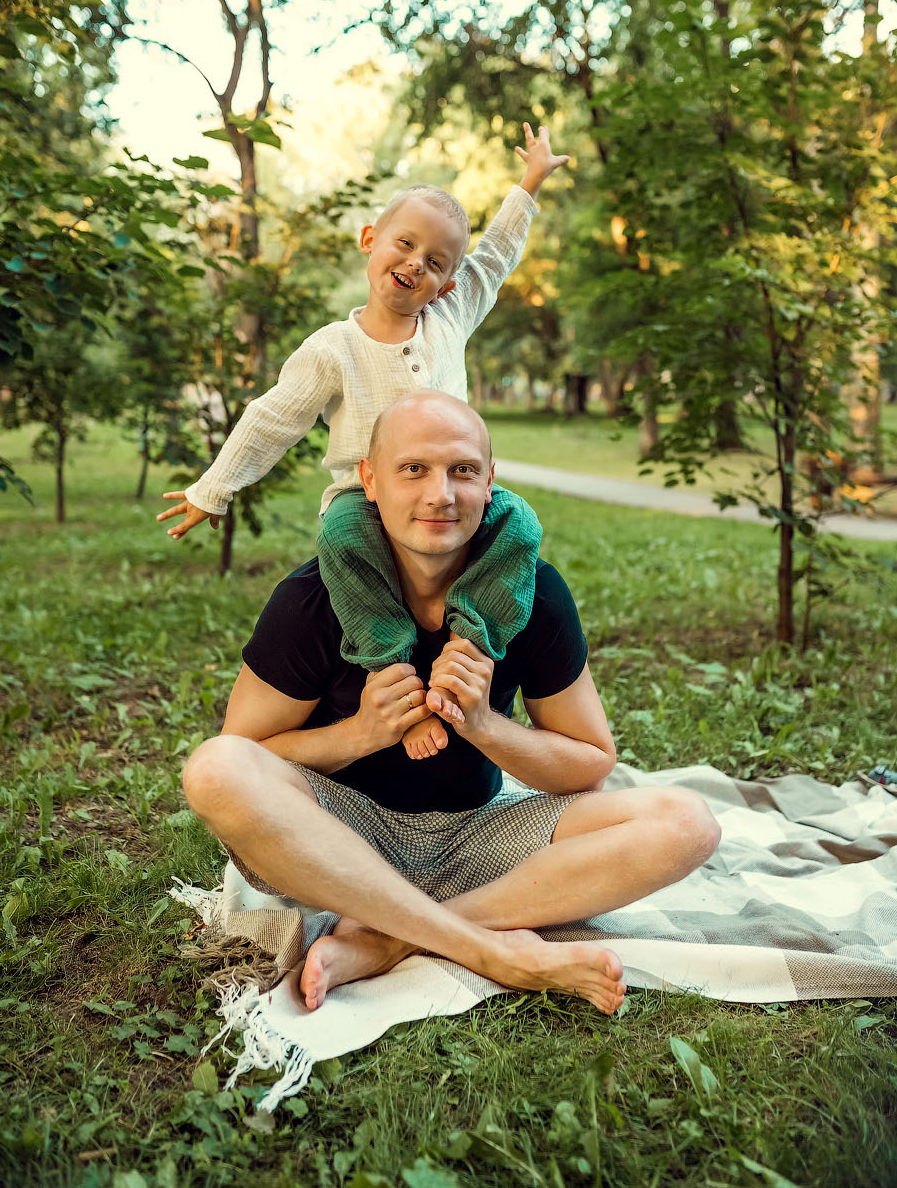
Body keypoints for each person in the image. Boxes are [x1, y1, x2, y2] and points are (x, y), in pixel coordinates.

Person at [182, 392, 721, 1016]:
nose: (441, 494)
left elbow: (590, 761)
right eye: (414, 469)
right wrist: (362, 733)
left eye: (462, 470)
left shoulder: (532, 594)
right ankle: (489, 948)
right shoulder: (312, 598)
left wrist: (486, 725)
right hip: (339, 835)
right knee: (215, 769)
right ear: (369, 480)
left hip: (479, 839)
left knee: (687, 824)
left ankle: (385, 937)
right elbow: (244, 751)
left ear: (490, 482)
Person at [158, 123, 569, 758]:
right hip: (362, 497)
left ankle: (470, 640)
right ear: (370, 241)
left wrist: (529, 184)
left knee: (518, 521)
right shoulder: (332, 350)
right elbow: (273, 420)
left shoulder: (451, 316)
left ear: (449, 283)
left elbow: (496, 254)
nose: (416, 264)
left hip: (449, 487)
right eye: (405, 244)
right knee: (341, 536)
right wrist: (213, 490)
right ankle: (388, 672)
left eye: (435, 262)